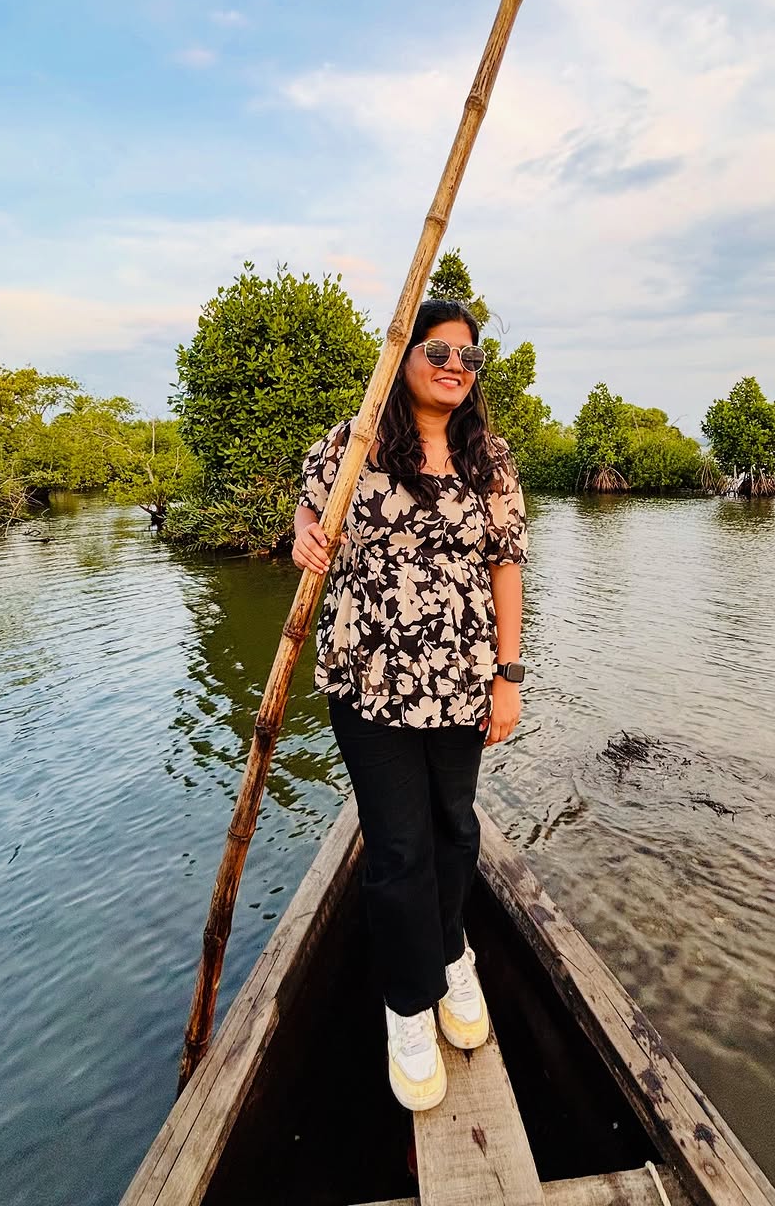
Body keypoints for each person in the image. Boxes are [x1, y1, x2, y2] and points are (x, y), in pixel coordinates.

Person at [292, 298, 528, 1112]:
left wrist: (508, 676)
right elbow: (310, 503)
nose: (456, 366)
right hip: (370, 680)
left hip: (463, 681)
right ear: (405, 357)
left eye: (469, 357)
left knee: (454, 829)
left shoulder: (490, 458)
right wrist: (304, 530)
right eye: (438, 351)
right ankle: (406, 1004)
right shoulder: (354, 441)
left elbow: (506, 566)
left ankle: (453, 951)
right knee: (397, 847)